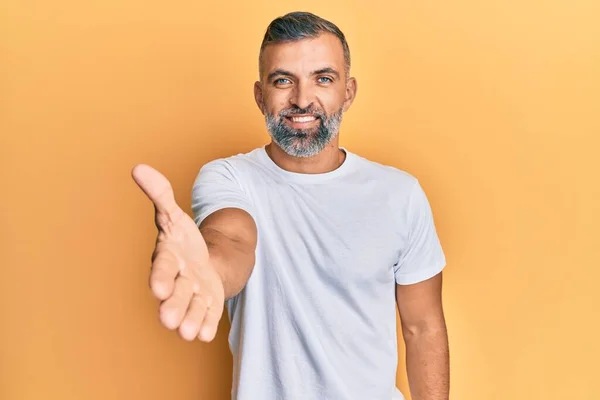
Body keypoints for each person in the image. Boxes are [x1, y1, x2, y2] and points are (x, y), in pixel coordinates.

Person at [132, 11, 449, 400]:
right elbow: (231, 239)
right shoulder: (229, 178)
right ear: (259, 95)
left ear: (347, 92)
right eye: (283, 80)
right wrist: (209, 271)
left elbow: (424, 328)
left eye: (323, 78)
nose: (302, 100)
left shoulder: (400, 194)